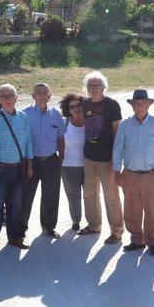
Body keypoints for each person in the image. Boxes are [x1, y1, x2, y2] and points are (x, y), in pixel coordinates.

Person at [112, 89, 154, 257]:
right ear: (132, 105)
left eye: (142, 103)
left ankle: (153, 242)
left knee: (153, 209)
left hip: (152, 175)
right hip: (129, 174)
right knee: (131, 209)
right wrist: (117, 171)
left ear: (148, 105)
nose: (139, 107)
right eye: (136, 104)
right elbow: (118, 149)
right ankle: (137, 240)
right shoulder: (125, 125)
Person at [0, 84, 33, 256]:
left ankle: (14, 238)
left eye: (10, 95)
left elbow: (27, 142)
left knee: (16, 207)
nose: (7, 98)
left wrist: (30, 164)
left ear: (16, 97)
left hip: (18, 169)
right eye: (3, 96)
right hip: (0, 170)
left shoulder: (24, 117)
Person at [79, 71, 125, 244]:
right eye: (90, 86)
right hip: (89, 158)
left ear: (103, 87)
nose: (93, 89)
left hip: (107, 159)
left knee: (111, 196)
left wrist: (116, 158)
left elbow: (117, 132)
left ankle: (117, 231)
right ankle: (93, 225)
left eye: (97, 85)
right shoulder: (84, 104)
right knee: (89, 194)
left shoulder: (112, 105)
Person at [19, 83, 65, 239]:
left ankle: (49, 226)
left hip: (52, 161)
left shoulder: (56, 115)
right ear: (33, 96)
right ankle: (20, 228)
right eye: (39, 92)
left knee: (51, 196)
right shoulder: (24, 114)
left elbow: (61, 137)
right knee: (26, 195)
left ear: (50, 96)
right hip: (31, 162)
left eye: (45, 92)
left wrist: (61, 157)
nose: (42, 95)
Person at [59, 93, 87, 232]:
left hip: (89, 165)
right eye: (72, 107)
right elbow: (57, 141)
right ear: (67, 109)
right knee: (73, 195)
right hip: (68, 166)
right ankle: (76, 221)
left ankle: (92, 223)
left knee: (90, 195)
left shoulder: (90, 121)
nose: (76, 109)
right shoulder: (64, 123)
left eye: (79, 105)